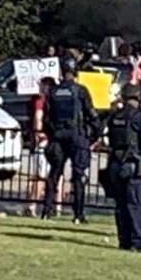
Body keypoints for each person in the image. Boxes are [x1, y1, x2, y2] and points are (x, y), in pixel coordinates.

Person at [36, 66, 95, 223]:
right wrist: (93, 135)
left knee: (54, 174)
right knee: (78, 176)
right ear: (75, 73)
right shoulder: (80, 90)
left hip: (58, 136)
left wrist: (52, 133)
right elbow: (91, 114)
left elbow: (47, 117)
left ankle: (46, 211)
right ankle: (78, 214)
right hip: (77, 135)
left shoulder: (53, 91)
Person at [104, 85, 141, 253]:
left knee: (121, 205)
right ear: (138, 97)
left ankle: (124, 241)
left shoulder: (114, 116)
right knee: (137, 205)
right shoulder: (140, 117)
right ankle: (140, 243)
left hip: (115, 164)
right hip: (133, 165)